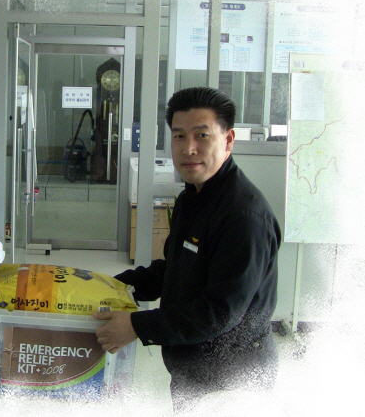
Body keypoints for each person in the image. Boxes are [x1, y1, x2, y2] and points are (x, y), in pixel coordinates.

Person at [94, 87, 281, 412]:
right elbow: (175, 269)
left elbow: (219, 312)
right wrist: (112, 286)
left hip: (232, 381)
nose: (188, 148)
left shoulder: (243, 216)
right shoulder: (193, 197)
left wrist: (137, 325)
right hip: (194, 368)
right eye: (179, 136)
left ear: (229, 140)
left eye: (202, 135)